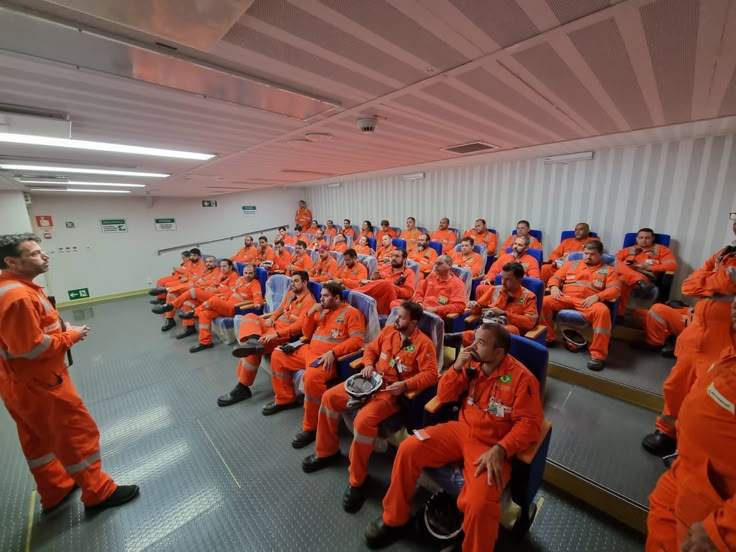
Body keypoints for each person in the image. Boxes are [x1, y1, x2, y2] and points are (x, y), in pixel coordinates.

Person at [364, 323, 543, 551]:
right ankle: (394, 518)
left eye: (481, 342)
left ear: (499, 352)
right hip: (460, 430)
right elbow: (444, 395)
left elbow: (530, 425)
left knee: (479, 505)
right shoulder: (471, 365)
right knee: (408, 449)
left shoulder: (522, 379)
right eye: (475, 339)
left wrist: (502, 448)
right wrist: (457, 368)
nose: (473, 346)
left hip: (490, 446)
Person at [0, 233, 138, 511]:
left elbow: (31, 333)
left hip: (18, 383)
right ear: (11, 261)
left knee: (38, 440)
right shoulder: (18, 296)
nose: (45, 256)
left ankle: (56, 488)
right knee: (76, 433)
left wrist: (60, 330)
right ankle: (98, 492)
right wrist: (71, 336)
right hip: (42, 381)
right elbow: (31, 348)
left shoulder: (14, 288)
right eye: (36, 253)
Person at [302, 301, 438, 512]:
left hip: (390, 392)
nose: (395, 320)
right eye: (396, 316)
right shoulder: (388, 331)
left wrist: (406, 385)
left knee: (363, 421)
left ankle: (358, 480)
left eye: (401, 317)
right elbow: (371, 350)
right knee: (329, 397)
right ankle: (326, 452)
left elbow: (431, 375)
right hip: (369, 379)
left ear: (413, 322)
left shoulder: (424, 344)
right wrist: (367, 364)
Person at [646, 298, 736, 552]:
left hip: (713, 514)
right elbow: (693, 284)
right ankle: (666, 431)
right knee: (677, 386)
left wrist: (724, 531)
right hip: (686, 473)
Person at [641, 219, 736, 456]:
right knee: (675, 385)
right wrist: (716, 284)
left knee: (706, 395)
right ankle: (666, 431)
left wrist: (708, 283)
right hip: (697, 331)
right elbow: (688, 286)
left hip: (726, 336)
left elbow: (718, 281)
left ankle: (691, 445)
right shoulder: (724, 253)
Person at [264, 283, 366, 450]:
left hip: (326, 359)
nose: (321, 299)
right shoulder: (323, 311)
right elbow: (307, 332)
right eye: (321, 296)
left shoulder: (352, 314)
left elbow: (357, 341)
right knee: (278, 355)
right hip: (308, 350)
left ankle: (312, 427)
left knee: (311, 378)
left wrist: (333, 353)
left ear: (337, 298)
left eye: (325, 296)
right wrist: (310, 314)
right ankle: (284, 399)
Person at [217, 271, 316, 407]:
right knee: (250, 316)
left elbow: (300, 326)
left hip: (281, 334)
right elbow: (281, 308)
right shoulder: (291, 294)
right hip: (271, 325)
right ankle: (253, 340)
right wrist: (271, 318)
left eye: (296, 281)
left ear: (305, 283)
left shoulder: (309, 301)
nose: (292, 284)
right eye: (291, 281)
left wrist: (276, 334)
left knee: (252, 351)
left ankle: (242, 387)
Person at [541, 240, 621, 371]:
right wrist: (554, 286)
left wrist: (598, 296)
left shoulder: (608, 270)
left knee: (603, 312)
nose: (588, 257)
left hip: (589, 301)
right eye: (586, 253)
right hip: (566, 298)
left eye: (592, 254)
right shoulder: (571, 264)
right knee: (544, 302)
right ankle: (548, 337)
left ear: (600, 255)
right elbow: (555, 277)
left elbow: (615, 290)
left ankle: (598, 355)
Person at [447, 262, 538, 348]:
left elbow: (529, 322)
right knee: (486, 330)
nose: (503, 282)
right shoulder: (494, 290)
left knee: (510, 330)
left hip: (510, 336)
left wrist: (504, 314)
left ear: (519, 280)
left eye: (508, 279)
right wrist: (475, 307)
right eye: (502, 278)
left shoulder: (528, 296)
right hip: (488, 326)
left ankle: (459, 338)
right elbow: (478, 309)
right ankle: (463, 340)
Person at [187, 262, 265, 352]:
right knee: (205, 314)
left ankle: (194, 312)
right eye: (245, 273)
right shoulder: (240, 280)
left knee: (214, 300)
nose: (247, 275)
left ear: (254, 274)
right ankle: (205, 342)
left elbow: (258, 296)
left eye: (250, 273)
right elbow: (230, 291)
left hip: (236, 308)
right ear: (243, 272)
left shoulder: (255, 283)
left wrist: (258, 304)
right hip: (227, 304)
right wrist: (222, 295)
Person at [615, 228, 678, 314]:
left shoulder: (662, 250)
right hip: (628, 274)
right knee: (617, 266)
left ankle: (618, 314)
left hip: (645, 276)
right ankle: (637, 279)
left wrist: (648, 267)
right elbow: (612, 261)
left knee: (621, 281)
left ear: (653, 238)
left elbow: (672, 266)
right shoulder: (628, 250)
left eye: (647, 238)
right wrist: (624, 264)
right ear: (636, 238)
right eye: (641, 238)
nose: (643, 240)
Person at [476, 236, 540, 299]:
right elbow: (493, 272)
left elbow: (534, 280)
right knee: (481, 288)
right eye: (515, 244)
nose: (515, 247)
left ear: (526, 248)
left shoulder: (532, 261)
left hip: (518, 289)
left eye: (520, 245)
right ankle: (483, 308)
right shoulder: (504, 257)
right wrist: (488, 279)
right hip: (501, 287)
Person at [401, 255, 466, 317]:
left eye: (439, 264)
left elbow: (460, 306)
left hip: (436, 316)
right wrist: (419, 302)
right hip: (420, 310)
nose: (436, 266)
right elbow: (419, 293)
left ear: (449, 265)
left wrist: (436, 309)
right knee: (397, 306)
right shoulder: (432, 276)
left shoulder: (458, 284)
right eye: (435, 263)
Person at [358, 249, 416, 315]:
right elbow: (376, 283)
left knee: (387, 284)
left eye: (397, 256)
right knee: (364, 284)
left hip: (391, 298)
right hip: (378, 295)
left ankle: (353, 292)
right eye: (393, 256)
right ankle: (356, 294)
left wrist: (392, 286)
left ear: (404, 259)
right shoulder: (386, 267)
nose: (393, 258)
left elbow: (409, 293)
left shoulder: (409, 273)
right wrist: (374, 278)